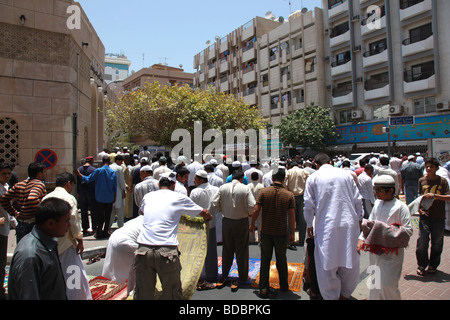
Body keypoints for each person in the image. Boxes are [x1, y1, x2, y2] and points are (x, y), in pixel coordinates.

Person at [133, 173, 212, 300]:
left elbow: (142, 211)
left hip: (143, 250)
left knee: (143, 293)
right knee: (172, 293)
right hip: (166, 251)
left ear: (159, 185)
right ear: (174, 185)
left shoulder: (148, 196)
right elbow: (204, 212)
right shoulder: (179, 197)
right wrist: (209, 217)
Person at [304, 153, 363, 300]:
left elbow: (308, 204)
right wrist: (360, 218)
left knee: (326, 264)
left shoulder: (314, 178)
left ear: (316, 164)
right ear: (330, 162)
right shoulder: (347, 175)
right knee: (349, 260)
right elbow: (358, 200)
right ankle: (345, 293)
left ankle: (331, 296)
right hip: (349, 223)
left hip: (326, 225)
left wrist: (309, 223)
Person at [357, 175, 413, 300]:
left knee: (389, 285)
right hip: (375, 251)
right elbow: (370, 223)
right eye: (375, 190)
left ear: (391, 190)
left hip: (392, 253)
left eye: (379, 190)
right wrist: (361, 239)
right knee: (375, 283)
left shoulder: (400, 207)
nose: (376, 194)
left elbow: (408, 230)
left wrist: (384, 231)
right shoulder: (377, 204)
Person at [8, 197, 71, 300]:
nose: (69, 225)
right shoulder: (30, 255)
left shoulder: (47, 244)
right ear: (50, 223)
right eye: (66, 221)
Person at [42, 172, 92, 300]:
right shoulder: (69, 198)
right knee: (73, 277)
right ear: (68, 184)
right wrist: (79, 240)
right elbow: (74, 222)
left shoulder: (46, 198)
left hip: (48, 244)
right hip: (66, 243)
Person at [250, 168, 295, 298]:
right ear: (284, 178)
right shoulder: (289, 195)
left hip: (266, 232)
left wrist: (252, 224)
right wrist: (292, 232)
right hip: (281, 232)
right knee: (281, 260)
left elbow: (256, 209)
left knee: (265, 260)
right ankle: (284, 286)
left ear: (272, 178)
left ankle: (263, 288)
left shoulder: (264, 192)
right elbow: (291, 217)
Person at [211, 170, 256, 292]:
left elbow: (214, 203)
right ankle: (242, 276)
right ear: (241, 178)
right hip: (241, 222)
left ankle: (225, 275)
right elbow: (253, 205)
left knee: (227, 249)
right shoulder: (245, 188)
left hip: (227, 221)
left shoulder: (223, 187)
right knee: (242, 250)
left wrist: (222, 210)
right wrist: (248, 213)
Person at [416, 158, 450, 276]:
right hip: (424, 216)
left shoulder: (443, 181)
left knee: (437, 243)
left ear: (437, 168)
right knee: (422, 242)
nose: (429, 169)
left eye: (431, 167)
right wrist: (419, 208)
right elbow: (420, 197)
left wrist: (435, 196)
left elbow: (448, 197)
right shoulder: (421, 180)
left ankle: (433, 265)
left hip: (439, 217)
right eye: (427, 166)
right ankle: (421, 264)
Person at [0, 162, 47, 243]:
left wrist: (14, 213)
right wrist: (41, 213)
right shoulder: (39, 185)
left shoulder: (19, 185)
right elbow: (32, 198)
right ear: (39, 174)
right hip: (33, 225)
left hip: (21, 224)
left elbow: (4, 199)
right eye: (44, 172)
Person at [190, 170, 220, 289]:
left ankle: (200, 275)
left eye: (195, 178)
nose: (193, 180)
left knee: (198, 250)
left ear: (201, 179)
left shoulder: (195, 192)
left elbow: (191, 208)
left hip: (197, 224)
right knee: (211, 250)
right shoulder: (215, 189)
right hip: (211, 222)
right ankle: (212, 275)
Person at [102, 215, 144, 296]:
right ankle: (131, 293)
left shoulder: (139, 218)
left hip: (114, 237)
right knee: (135, 270)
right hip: (126, 242)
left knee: (114, 269)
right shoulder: (152, 222)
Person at [77, 156, 117, 239]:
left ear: (102, 162)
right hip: (109, 198)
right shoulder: (112, 172)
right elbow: (114, 187)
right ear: (109, 162)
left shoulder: (98, 171)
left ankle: (99, 232)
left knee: (99, 216)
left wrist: (80, 175)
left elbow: (88, 179)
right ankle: (105, 232)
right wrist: (114, 198)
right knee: (107, 216)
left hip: (99, 197)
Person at [0, 163, 17, 300]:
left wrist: (15, 222)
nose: (6, 176)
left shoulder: (6, 187)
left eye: (8, 173)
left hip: (4, 229)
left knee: (2, 261)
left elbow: (8, 209)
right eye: (3, 173)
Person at [285, 161, 310, 248]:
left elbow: (284, 182)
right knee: (302, 219)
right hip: (302, 196)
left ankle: (289, 239)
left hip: (291, 196)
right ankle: (301, 239)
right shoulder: (304, 172)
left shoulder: (288, 172)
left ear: (289, 166)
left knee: (290, 219)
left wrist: (287, 190)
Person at [77, 156, 97, 236]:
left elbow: (78, 182)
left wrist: (78, 193)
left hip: (82, 192)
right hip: (91, 192)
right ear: (91, 162)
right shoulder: (93, 170)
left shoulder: (79, 170)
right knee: (93, 211)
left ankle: (85, 228)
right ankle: (94, 227)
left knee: (83, 211)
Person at [110, 155, 126, 230]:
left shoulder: (109, 167)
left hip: (110, 192)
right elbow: (121, 181)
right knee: (119, 212)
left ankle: (108, 227)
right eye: (121, 161)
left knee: (111, 212)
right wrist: (124, 190)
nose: (122, 163)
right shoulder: (119, 168)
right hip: (118, 191)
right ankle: (121, 227)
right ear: (118, 160)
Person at [248, 171, 264, 243]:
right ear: (258, 178)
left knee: (251, 222)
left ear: (251, 178)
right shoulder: (261, 186)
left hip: (250, 206)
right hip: (260, 206)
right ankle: (260, 238)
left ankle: (251, 239)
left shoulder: (248, 186)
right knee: (260, 222)